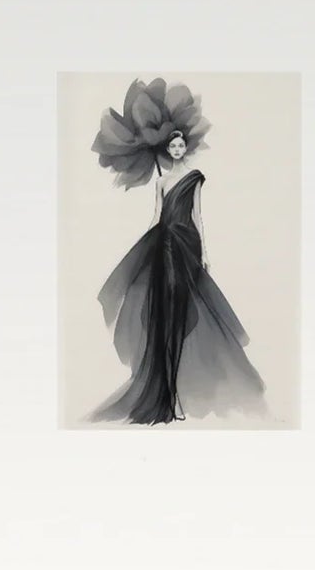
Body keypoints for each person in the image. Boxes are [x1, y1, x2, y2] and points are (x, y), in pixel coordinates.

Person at [88, 80, 265, 425]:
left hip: (188, 248)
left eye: (183, 143)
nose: (179, 148)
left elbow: (198, 215)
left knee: (184, 318)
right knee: (164, 320)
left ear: (187, 148)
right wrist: (143, 250)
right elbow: (156, 217)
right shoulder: (161, 182)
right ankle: (167, 398)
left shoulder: (195, 177)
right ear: (168, 150)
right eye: (174, 144)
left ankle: (177, 396)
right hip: (164, 248)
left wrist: (206, 253)